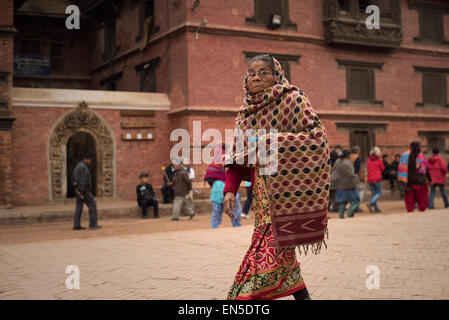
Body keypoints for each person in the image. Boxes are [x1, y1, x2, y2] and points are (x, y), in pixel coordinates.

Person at [223, 54, 330, 300]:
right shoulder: (246, 112)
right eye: (252, 73)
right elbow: (239, 157)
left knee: (269, 246)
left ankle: (245, 298)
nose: (256, 77)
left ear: (277, 75)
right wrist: (230, 190)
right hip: (261, 193)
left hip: (290, 192)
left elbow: (318, 139)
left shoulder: (294, 100)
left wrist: (272, 141)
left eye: (263, 72)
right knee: (278, 249)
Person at [205, 144, 242, 228]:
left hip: (216, 188)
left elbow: (209, 178)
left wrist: (215, 185)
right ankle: (236, 224)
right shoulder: (227, 159)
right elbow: (234, 173)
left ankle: (214, 226)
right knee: (234, 206)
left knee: (217, 209)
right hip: (228, 187)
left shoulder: (213, 163)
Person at [397, 142, 430, 212]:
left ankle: (411, 211)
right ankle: (420, 210)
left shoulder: (405, 155)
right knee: (422, 200)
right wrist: (430, 179)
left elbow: (401, 169)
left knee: (410, 201)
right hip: (419, 181)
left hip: (410, 181)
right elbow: (426, 169)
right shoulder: (421, 156)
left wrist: (402, 182)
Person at [72, 152, 101, 230]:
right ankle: (93, 224)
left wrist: (77, 190)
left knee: (79, 207)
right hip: (84, 190)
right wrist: (81, 191)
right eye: (89, 159)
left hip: (78, 189)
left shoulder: (77, 166)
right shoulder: (83, 167)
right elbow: (82, 180)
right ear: (86, 159)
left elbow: (74, 179)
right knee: (92, 205)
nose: (90, 161)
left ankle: (76, 225)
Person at [331, 150, 360, 218]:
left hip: (339, 185)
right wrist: (357, 178)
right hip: (349, 185)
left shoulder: (337, 162)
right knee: (356, 199)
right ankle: (350, 213)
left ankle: (341, 216)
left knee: (343, 201)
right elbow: (350, 174)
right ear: (348, 155)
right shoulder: (346, 163)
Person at [366, 146, 384, 213]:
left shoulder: (368, 160)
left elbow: (367, 167)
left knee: (374, 194)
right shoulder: (379, 160)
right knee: (379, 193)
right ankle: (371, 203)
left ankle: (376, 208)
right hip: (377, 178)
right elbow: (382, 168)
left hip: (370, 179)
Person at [350, 146, 365, 213]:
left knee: (353, 192)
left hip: (350, 177)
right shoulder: (357, 158)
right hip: (357, 177)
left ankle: (353, 205)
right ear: (358, 151)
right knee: (361, 191)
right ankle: (356, 206)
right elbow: (357, 168)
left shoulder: (349, 157)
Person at [328, 145, 342, 213]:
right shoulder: (336, 156)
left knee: (330, 194)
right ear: (338, 149)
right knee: (335, 194)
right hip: (334, 178)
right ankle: (335, 208)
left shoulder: (330, 154)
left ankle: (328, 207)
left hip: (329, 177)